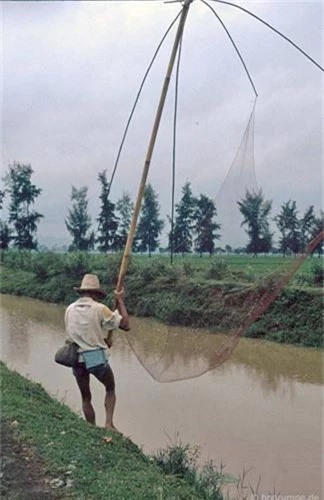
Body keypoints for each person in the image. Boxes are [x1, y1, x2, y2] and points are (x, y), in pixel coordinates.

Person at [64, 273, 129, 432]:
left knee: (86, 397)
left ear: (82, 292)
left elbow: (79, 333)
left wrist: (104, 340)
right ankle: (108, 423)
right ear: (95, 293)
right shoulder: (101, 309)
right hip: (95, 359)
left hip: (76, 358)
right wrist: (120, 300)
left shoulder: (69, 309)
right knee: (110, 388)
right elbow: (126, 325)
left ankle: (91, 429)